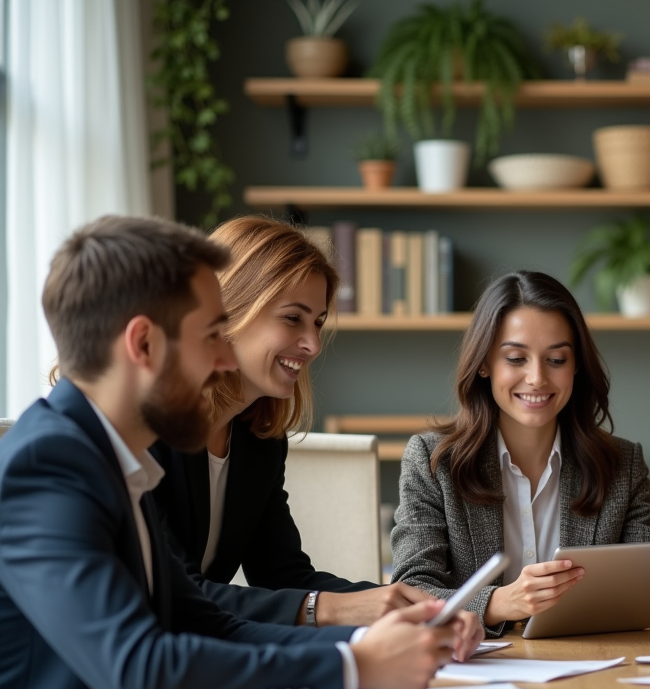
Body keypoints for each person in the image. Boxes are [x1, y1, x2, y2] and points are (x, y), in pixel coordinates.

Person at [0, 216, 476, 689]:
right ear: (144, 344)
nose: (223, 362)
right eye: (211, 336)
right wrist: (355, 667)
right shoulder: (50, 464)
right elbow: (139, 667)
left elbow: (213, 625)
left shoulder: (117, 458)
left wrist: (379, 644)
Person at [149, 216, 472, 633]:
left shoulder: (257, 442)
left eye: (317, 322)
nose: (313, 345)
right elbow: (170, 592)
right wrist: (336, 610)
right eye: (292, 318)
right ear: (228, 309)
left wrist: (407, 606)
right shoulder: (150, 432)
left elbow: (285, 576)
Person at [391, 270, 650, 637]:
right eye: (515, 358)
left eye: (556, 360)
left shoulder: (622, 465)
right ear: (484, 364)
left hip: (590, 670)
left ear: (575, 366)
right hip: (476, 675)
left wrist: (566, 609)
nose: (537, 379)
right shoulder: (432, 462)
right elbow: (411, 593)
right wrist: (501, 603)